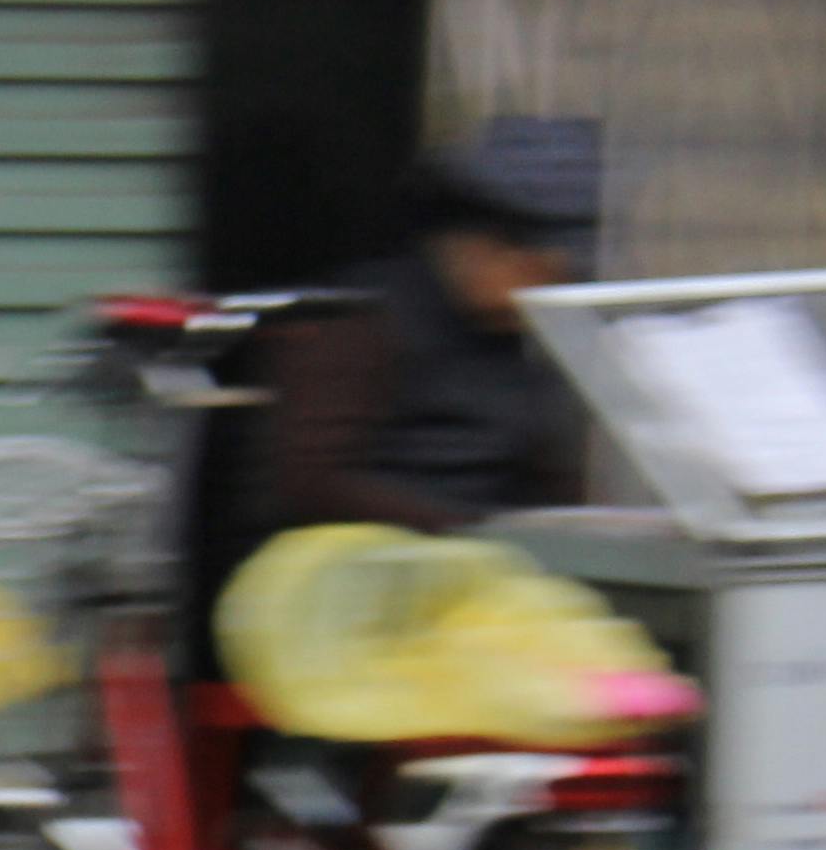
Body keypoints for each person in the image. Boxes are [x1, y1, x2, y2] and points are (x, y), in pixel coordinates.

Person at [259, 114, 604, 537]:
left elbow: (547, 474)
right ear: (476, 248)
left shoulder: (520, 347)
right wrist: (469, 531)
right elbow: (309, 486)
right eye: (533, 268)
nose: (542, 287)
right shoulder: (363, 324)